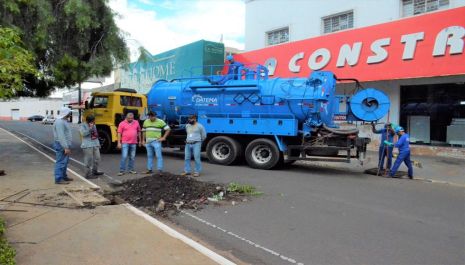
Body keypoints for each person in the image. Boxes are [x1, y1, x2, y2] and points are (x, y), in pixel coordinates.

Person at [53, 107, 74, 184]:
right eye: (69, 113)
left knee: (64, 162)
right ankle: (58, 179)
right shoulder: (59, 122)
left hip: (64, 145)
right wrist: (65, 147)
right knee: (61, 162)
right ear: (66, 113)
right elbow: (61, 136)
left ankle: (64, 176)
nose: (70, 114)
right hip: (61, 145)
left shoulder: (63, 121)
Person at [80, 115, 103, 179]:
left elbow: (95, 134)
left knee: (97, 158)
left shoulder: (94, 125)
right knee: (88, 160)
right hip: (87, 145)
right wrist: (90, 129)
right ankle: (88, 174)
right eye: (92, 121)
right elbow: (83, 134)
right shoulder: (83, 125)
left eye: (93, 120)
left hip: (95, 144)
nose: (93, 122)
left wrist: (98, 143)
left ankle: (95, 171)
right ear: (88, 121)